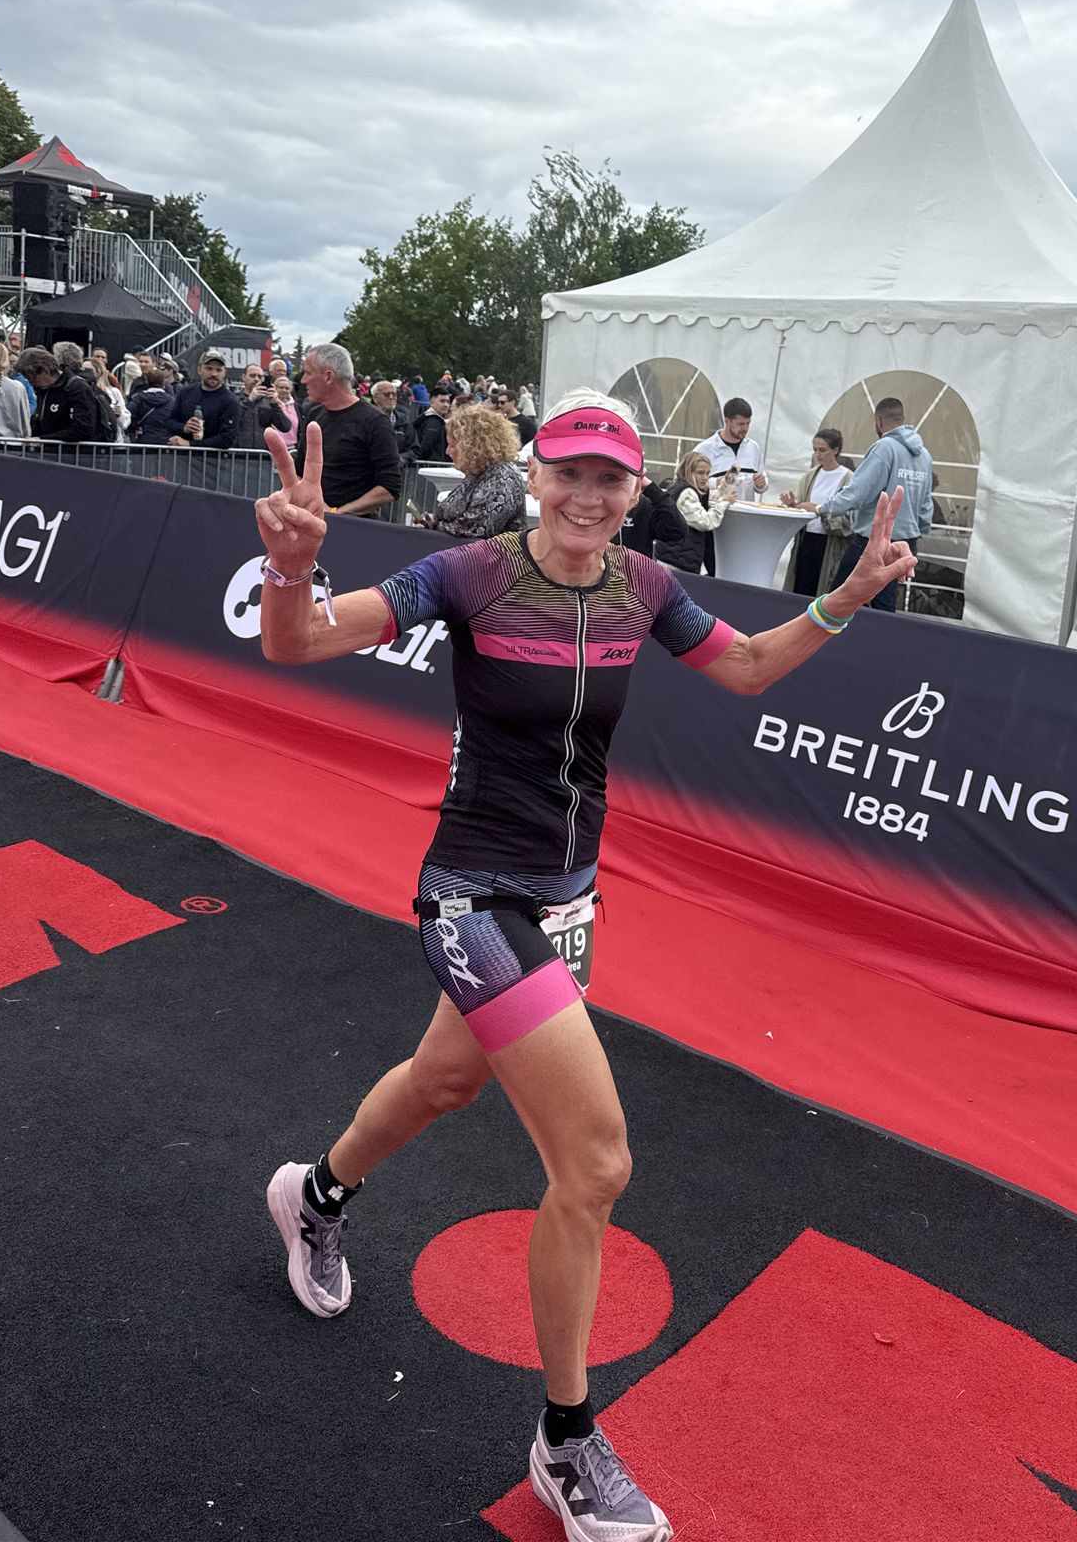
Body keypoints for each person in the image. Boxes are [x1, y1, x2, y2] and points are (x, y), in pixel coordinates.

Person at [254, 389, 914, 1541]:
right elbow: (296, 641)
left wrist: (844, 601)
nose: (587, 496)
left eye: (610, 479)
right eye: (569, 473)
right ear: (537, 475)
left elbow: (751, 667)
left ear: (632, 491)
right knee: (597, 1163)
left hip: (566, 901)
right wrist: (293, 567)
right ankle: (566, 1443)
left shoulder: (642, 587)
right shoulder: (470, 574)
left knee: (444, 1083)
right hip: (470, 897)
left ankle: (313, 1196)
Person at [828, 397, 934, 612]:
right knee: (885, 601)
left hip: (874, 539)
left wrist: (824, 508)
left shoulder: (884, 448)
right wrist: (919, 530)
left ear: (878, 421)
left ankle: (825, 633)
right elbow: (926, 503)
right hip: (906, 540)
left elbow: (859, 492)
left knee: (838, 598)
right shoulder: (924, 456)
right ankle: (881, 634)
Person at [294, 342, 402, 516]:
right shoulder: (314, 414)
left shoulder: (375, 422)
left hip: (354, 526)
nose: (303, 380)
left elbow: (389, 487)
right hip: (311, 520)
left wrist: (337, 513)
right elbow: (299, 471)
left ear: (328, 377)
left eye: (307, 373)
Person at [411, 404, 526, 538]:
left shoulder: (503, 477)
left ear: (471, 447)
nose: (447, 452)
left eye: (452, 446)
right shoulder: (480, 473)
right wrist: (431, 523)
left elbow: (474, 530)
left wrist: (434, 527)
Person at [781, 430, 853, 595]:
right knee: (801, 585)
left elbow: (850, 518)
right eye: (815, 450)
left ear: (835, 450)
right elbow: (800, 502)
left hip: (830, 544)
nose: (817, 454)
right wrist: (792, 503)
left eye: (822, 450)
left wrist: (817, 510)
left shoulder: (848, 478)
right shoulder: (810, 475)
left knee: (822, 588)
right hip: (806, 539)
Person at [653, 449, 732, 574]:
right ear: (688, 471)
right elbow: (705, 522)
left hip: (675, 559)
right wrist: (724, 502)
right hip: (676, 563)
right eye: (700, 473)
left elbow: (711, 497)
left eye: (708, 473)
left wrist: (726, 484)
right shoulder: (687, 493)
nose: (705, 478)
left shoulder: (682, 488)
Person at [16, 346, 110, 443]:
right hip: (47, 449)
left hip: (72, 451)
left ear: (45, 371)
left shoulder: (77, 388)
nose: (30, 382)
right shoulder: (42, 389)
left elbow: (83, 429)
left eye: (31, 377)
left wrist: (44, 440)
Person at [168, 350, 241, 449]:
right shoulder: (185, 393)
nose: (214, 374)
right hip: (183, 456)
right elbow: (170, 422)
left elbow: (226, 439)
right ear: (199, 370)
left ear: (224, 373)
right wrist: (184, 428)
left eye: (219, 370)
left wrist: (189, 444)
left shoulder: (230, 401)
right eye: (209, 368)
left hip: (213, 457)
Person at [695, 397, 767, 493]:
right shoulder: (704, 450)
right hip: (716, 503)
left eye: (748, 423)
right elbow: (691, 482)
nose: (745, 428)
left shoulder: (753, 448)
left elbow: (762, 481)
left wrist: (761, 484)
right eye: (741, 424)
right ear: (727, 421)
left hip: (746, 503)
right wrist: (718, 482)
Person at [613, 472, 686, 559]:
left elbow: (676, 530)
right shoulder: (600, 503)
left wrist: (652, 489)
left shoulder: (643, 504)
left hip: (637, 566)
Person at [236, 363, 288, 450]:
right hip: (238, 453)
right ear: (243, 377)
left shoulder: (268, 401)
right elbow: (232, 420)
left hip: (263, 454)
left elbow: (285, 427)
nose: (256, 379)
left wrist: (274, 404)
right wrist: (249, 400)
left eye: (260, 377)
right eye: (252, 376)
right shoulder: (234, 399)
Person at [127, 369, 178, 444]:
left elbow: (128, 415)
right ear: (164, 382)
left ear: (146, 381)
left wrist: (135, 428)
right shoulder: (172, 401)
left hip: (144, 441)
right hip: (166, 442)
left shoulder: (138, 398)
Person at [370, 378, 415, 459]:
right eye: (386, 394)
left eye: (394, 394)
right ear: (375, 398)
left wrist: (400, 459)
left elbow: (414, 449)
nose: (391, 397)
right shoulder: (364, 419)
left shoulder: (404, 420)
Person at [87, 357, 132, 436]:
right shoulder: (78, 390)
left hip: (112, 439)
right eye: (82, 369)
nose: (83, 372)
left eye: (88, 370)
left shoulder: (114, 392)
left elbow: (125, 422)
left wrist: (120, 414)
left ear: (99, 372)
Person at [412, 388, 453, 464]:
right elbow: (425, 446)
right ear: (432, 401)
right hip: (431, 464)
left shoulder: (429, 419)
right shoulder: (433, 421)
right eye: (442, 401)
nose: (446, 405)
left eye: (448, 402)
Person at [269, 372, 300, 451]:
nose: (284, 390)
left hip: (293, 448)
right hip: (273, 447)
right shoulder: (269, 404)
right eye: (281, 387)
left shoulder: (297, 407)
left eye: (287, 388)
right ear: (275, 388)